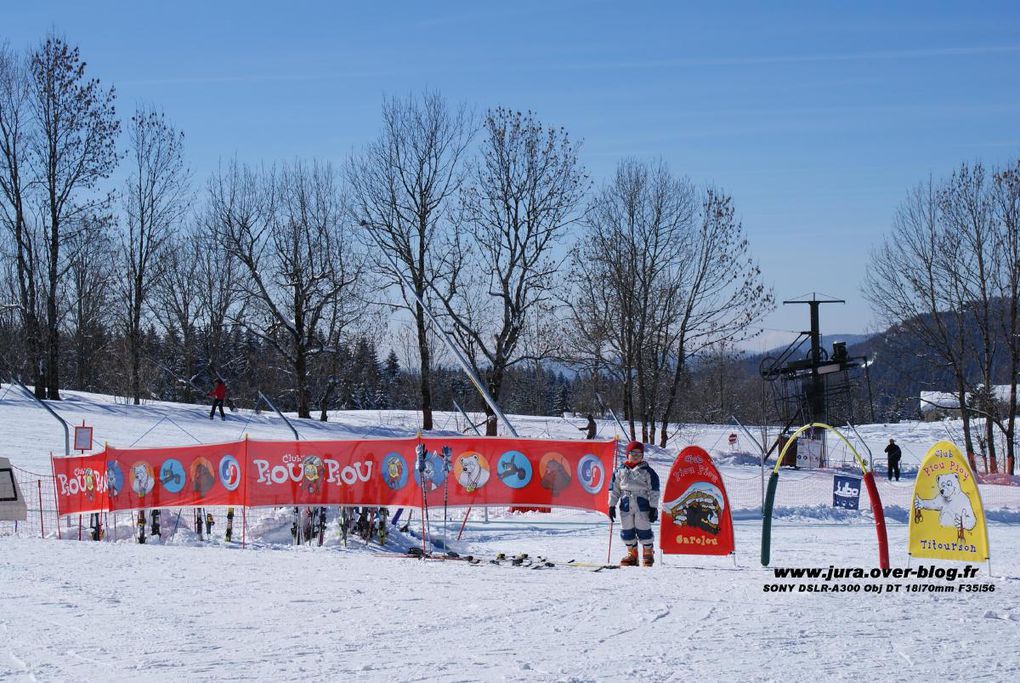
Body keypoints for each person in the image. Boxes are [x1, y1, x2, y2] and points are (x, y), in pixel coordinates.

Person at [608, 441, 660, 567]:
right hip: (625, 502)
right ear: (627, 454)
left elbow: (654, 490)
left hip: (641, 502)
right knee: (627, 528)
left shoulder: (647, 471)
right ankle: (632, 554)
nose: (636, 456)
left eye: (639, 453)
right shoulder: (620, 471)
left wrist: (653, 507)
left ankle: (648, 552)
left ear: (642, 455)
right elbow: (614, 489)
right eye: (633, 453)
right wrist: (611, 505)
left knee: (643, 527)